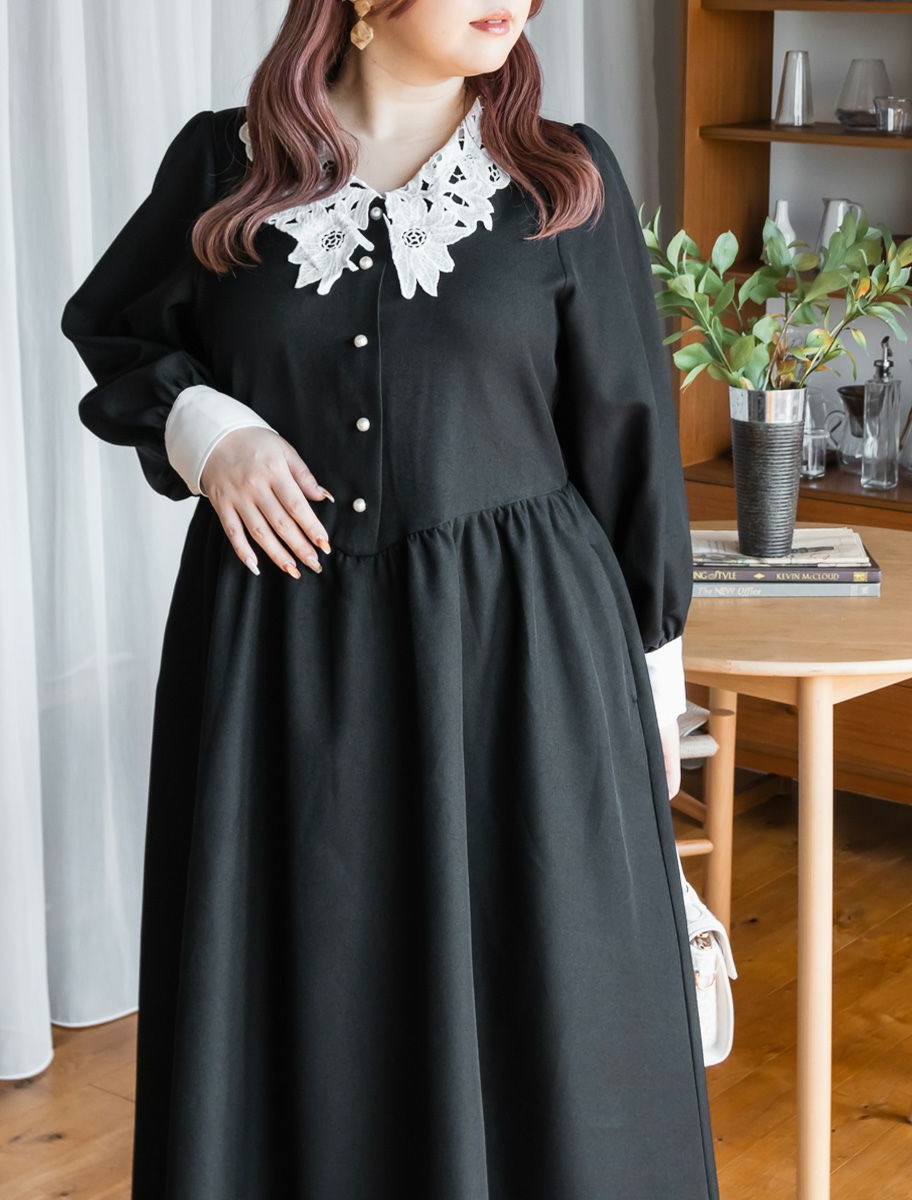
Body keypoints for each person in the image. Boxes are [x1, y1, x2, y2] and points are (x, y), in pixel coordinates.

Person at [60, 1, 721, 1196]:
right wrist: (210, 431)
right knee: (304, 997)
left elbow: (628, 442)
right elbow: (115, 329)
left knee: (543, 1011)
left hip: (522, 669)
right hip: (275, 664)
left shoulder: (561, 177)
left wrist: (651, 702)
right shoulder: (223, 166)